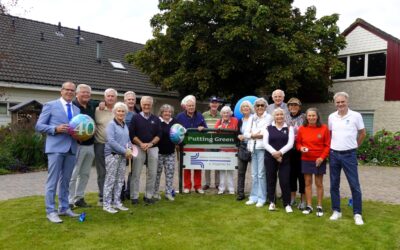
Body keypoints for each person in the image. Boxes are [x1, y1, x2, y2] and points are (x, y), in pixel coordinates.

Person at [35, 81, 80, 223]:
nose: (69, 92)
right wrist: (55, 129)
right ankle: (50, 211)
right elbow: (39, 126)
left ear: (75, 93)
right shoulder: (50, 105)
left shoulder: (76, 109)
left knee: (66, 181)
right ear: (61, 91)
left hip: (72, 148)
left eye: (72, 90)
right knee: (52, 181)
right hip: (55, 148)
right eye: (67, 89)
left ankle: (64, 208)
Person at [328, 92, 366, 225]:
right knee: (334, 184)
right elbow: (331, 134)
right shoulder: (331, 117)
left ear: (347, 101)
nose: (340, 104)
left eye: (342, 101)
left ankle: (357, 214)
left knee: (354, 185)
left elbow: (362, 133)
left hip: (349, 155)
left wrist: (355, 145)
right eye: (337, 102)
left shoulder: (356, 116)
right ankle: (336, 211)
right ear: (335, 103)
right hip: (334, 154)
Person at [68, 84, 99, 208]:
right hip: (77, 145)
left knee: (85, 174)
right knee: (73, 173)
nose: (86, 94)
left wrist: (101, 103)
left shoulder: (91, 104)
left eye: (88, 93)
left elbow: (99, 101)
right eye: (83, 92)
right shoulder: (73, 106)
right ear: (77, 94)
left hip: (90, 145)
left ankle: (79, 198)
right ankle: (69, 201)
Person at [296, 108, 330, 216]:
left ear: (317, 117)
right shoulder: (302, 129)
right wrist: (301, 148)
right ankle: (309, 205)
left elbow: (327, 145)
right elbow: (298, 144)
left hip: (319, 159)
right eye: (309, 116)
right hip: (306, 159)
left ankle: (319, 206)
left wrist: (322, 158)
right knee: (307, 183)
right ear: (306, 117)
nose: (311, 118)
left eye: (313, 115)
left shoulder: (324, 128)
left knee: (319, 183)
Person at [129, 96, 162, 205]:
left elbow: (159, 134)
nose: (146, 106)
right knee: (136, 173)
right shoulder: (135, 118)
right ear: (141, 105)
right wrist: (141, 144)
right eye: (144, 104)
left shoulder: (156, 119)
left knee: (152, 173)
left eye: (148, 104)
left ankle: (148, 195)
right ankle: (134, 196)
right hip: (138, 147)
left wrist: (151, 143)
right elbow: (132, 134)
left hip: (152, 148)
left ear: (151, 105)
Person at [103, 102, 133, 213]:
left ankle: (117, 202)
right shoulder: (111, 124)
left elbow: (128, 140)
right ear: (115, 112)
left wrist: (130, 148)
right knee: (110, 180)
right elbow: (111, 141)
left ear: (125, 113)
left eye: (123, 111)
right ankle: (106, 204)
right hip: (112, 155)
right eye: (119, 111)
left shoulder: (124, 124)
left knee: (120, 180)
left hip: (123, 156)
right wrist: (125, 151)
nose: (121, 113)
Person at [263, 108, 294, 213]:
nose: (279, 116)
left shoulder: (289, 128)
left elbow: (290, 144)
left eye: (281, 114)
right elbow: (265, 144)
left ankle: (287, 204)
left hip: (284, 159)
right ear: (274, 116)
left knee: (285, 181)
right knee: (271, 180)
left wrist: (280, 153)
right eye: (277, 115)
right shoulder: (268, 128)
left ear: (284, 116)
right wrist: (275, 154)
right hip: (270, 158)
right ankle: (272, 202)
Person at [176, 96, 207, 194]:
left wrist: (202, 128)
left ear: (195, 106)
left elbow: (206, 129)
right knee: (187, 167)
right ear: (185, 106)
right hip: (185, 145)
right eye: (189, 106)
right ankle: (187, 187)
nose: (191, 107)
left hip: (198, 144)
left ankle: (198, 186)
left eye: (192, 105)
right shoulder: (179, 116)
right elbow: (175, 129)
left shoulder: (200, 116)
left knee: (198, 166)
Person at [244, 98, 272, 207]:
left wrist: (252, 134)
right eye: (258, 105)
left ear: (265, 107)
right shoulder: (252, 117)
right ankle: (253, 197)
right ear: (255, 107)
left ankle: (262, 198)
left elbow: (265, 133)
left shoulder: (269, 117)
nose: (260, 107)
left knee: (261, 174)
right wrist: (253, 135)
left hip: (262, 148)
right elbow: (246, 133)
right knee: (254, 174)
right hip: (253, 147)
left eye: (262, 105)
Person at [94, 88, 117, 205]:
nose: (110, 98)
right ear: (104, 97)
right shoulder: (98, 109)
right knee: (102, 172)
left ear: (116, 98)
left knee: (113, 172)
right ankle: (102, 197)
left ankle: (113, 196)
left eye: (112, 96)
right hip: (100, 144)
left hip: (115, 147)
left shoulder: (119, 110)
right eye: (108, 96)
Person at [285, 97, 306, 210]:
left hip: (301, 151)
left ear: (299, 106)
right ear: (288, 107)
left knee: (301, 175)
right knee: (291, 175)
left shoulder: (304, 117)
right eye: (291, 105)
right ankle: (292, 198)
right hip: (289, 151)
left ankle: (303, 200)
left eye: (295, 105)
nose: (293, 107)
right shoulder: (285, 117)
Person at [154, 104, 177, 201]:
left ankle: (168, 193)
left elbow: (180, 133)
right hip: (158, 152)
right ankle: (155, 193)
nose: (167, 113)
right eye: (165, 111)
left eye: (169, 111)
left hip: (170, 153)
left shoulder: (175, 122)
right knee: (156, 174)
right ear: (161, 113)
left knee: (170, 174)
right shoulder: (157, 121)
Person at [215, 105, 238, 195]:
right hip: (222, 148)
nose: (226, 114)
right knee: (222, 169)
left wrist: (225, 128)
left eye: (227, 112)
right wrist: (218, 129)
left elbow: (235, 130)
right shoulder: (219, 121)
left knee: (230, 169)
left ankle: (231, 189)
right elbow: (214, 132)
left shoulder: (235, 120)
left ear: (230, 113)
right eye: (224, 113)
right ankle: (221, 188)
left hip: (232, 149)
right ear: (221, 114)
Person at [122, 91, 140, 200]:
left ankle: (129, 191)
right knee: (121, 170)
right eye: (129, 99)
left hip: (135, 146)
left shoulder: (138, 112)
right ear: (125, 101)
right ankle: (121, 191)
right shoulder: (121, 111)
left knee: (132, 170)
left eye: (133, 99)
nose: (131, 101)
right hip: (123, 145)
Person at [202, 96, 222, 191]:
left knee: (217, 162)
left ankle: (217, 183)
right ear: (209, 104)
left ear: (218, 104)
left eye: (216, 102)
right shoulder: (204, 115)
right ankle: (207, 183)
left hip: (218, 141)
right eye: (212, 102)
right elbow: (200, 126)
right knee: (207, 163)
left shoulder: (221, 115)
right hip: (207, 142)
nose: (214, 104)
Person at [236, 100, 254, 201]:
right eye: (243, 107)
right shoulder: (240, 120)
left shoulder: (254, 119)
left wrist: (246, 136)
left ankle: (254, 193)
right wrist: (239, 136)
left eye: (247, 106)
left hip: (253, 147)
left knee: (255, 173)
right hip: (243, 147)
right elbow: (237, 133)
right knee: (241, 172)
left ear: (250, 108)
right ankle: (240, 193)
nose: (245, 108)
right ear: (241, 109)